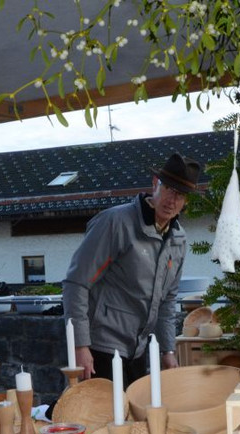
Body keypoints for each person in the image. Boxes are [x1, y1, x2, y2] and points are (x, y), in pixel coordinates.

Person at [62, 152, 201, 387]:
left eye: (180, 194)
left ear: (186, 201)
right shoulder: (115, 222)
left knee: (134, 408)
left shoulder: (178, 239)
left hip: (138, 349)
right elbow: (76, 283)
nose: (172, 200)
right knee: (100, 409)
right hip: (100, 346)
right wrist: (80, 345)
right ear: (155, 184)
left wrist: (168, 351)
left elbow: (167, 299)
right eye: (169, 189)